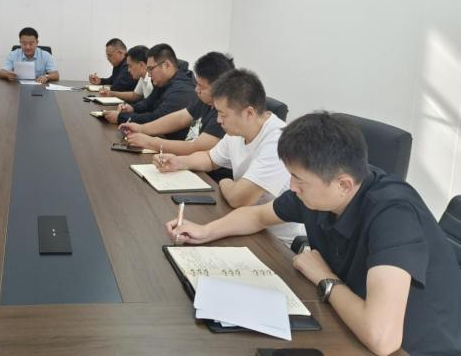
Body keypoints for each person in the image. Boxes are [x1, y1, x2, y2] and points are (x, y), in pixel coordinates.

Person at [166, 112, 461, 356]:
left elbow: (382, 338)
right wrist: (205, 231)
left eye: (298, 180)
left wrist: (324, 278)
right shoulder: (320, 189)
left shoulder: (393, 214)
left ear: (343, 185)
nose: (291, 187)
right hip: (350, 322)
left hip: (415, 346)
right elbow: (257, 215)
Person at [157, 68, 302, 244]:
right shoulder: (238, 131)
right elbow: (210, 159)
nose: (218, 120)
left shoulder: (278, 141)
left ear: (249, 113)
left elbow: (239, 199)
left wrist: (225, 182)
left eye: (223, 114)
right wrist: (178, 162)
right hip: (245, 224)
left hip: (277, 241)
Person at [120, 51, 234, 155]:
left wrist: (150, 142)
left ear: (218, 87)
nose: (196, 89)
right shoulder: (205, 101)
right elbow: (180, 118)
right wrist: (142, 129)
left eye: (201, 86)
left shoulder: (225, 114)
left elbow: (196, 147)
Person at [103, 44, 197, 139]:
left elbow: (157, 119)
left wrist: (121, 117)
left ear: (167, 65)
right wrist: (132, 108)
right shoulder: (164, 81)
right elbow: (148, 102)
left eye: (151, 69)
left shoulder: (182, 90)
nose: (148, 74)